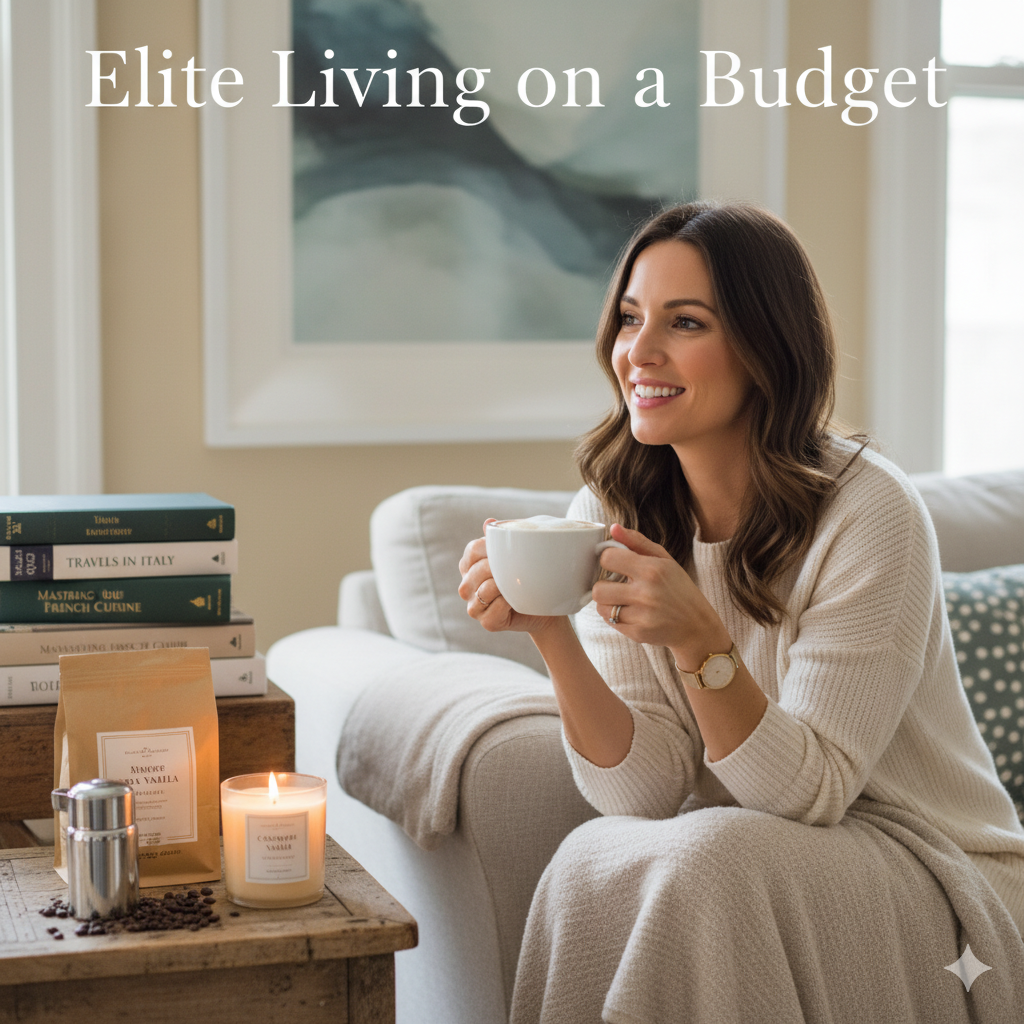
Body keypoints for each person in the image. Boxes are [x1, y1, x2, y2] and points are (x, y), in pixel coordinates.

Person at [457, 201, 1024, 1023]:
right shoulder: (610, 508)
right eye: (628, 318)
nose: (638, 353)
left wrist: (698, 640)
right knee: (589, 855)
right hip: (762, 851)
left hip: (932, 858)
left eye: (684, 322)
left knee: (713, 860)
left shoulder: (871, 512)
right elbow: (641, 792)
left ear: (766, 348)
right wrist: (550, 630)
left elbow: (813, 792)